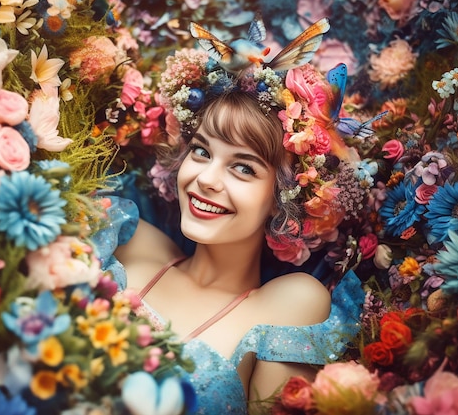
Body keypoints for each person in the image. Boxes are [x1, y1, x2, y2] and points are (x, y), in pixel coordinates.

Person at [105, 46, 365, 411]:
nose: (206, 179)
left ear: (281, 196)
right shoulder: (131, 239)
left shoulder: (289, 304)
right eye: (202, 152)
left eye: (243, 168)